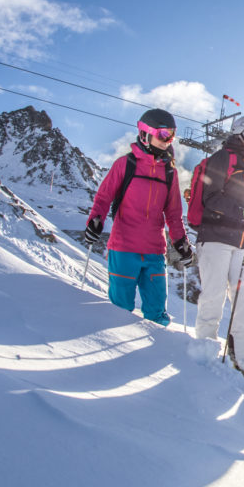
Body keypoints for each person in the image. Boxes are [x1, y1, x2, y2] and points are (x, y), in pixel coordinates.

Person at [82, 109, 192, 326]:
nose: (168, 140)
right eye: (163, 134)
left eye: (171, 135)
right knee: (119, 310)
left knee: (157, 311)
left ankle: (157, 353)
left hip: (154, 251)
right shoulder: (126, 164)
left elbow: (173, 214)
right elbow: (104, 197)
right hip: (124, 248)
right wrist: (95, 221)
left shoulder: (169, 172)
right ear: (145, 133)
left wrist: (181, 242)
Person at [188, 114, 244, 378]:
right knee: (213, 297)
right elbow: (211, 198)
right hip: (215, 239)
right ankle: (205, 356)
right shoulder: (223, 158)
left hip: (241, 243)